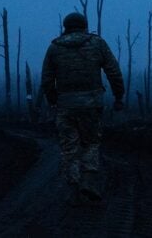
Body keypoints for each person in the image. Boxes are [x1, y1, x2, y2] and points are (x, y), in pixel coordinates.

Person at [41, 12, 124, 203]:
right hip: (92, 105)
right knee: (91, 142)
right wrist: (119, 96)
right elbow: (113, 71)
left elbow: (47, 80)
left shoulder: (54, 48)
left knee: (69, 146)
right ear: (84, 26)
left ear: (66, 27)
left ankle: (74, 184)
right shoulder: (97, 44)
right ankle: (89, 179)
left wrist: (54, 101)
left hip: (66, 105)